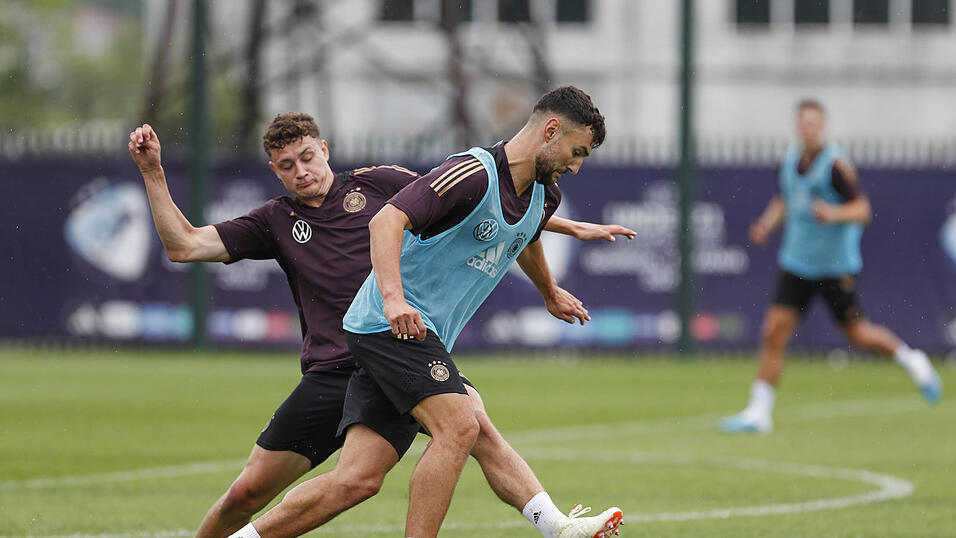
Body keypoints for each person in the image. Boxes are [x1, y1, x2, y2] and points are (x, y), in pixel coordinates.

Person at [128, 111, 632, 538]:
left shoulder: (379, 182)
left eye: (307, 157)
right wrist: (153, 173)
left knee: (463, 428)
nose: (301, 171)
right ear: (275, 173)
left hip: (406, 343)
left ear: (324, 149)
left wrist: (561, 225)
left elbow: (466, 206)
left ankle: (557, 526)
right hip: (341, 364)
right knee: (250, 492)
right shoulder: (274, 220)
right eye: (287, 166)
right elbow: (185, 245)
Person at [719, 99, 942, 434]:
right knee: (773, 332)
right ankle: (759, 413)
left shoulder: (836, 166)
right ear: (797, 126)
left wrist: (833, 213)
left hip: (834, 268)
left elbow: (863, 210)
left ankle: (913, 360)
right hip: (796, 263)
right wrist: (766, 225)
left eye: (815, 123)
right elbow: (785, 199)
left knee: (859, 335)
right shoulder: (790, 161)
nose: (808, 129)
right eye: (803, 123)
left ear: (823, 127)